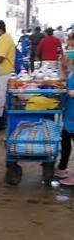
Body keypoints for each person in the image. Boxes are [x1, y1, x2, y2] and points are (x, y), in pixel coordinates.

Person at [56, 37, 74, 184]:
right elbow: (68, 76)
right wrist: (63, 66)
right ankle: (62, 168)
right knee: (66, 137)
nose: (70, 50)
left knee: (67, 137)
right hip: (70, 110)